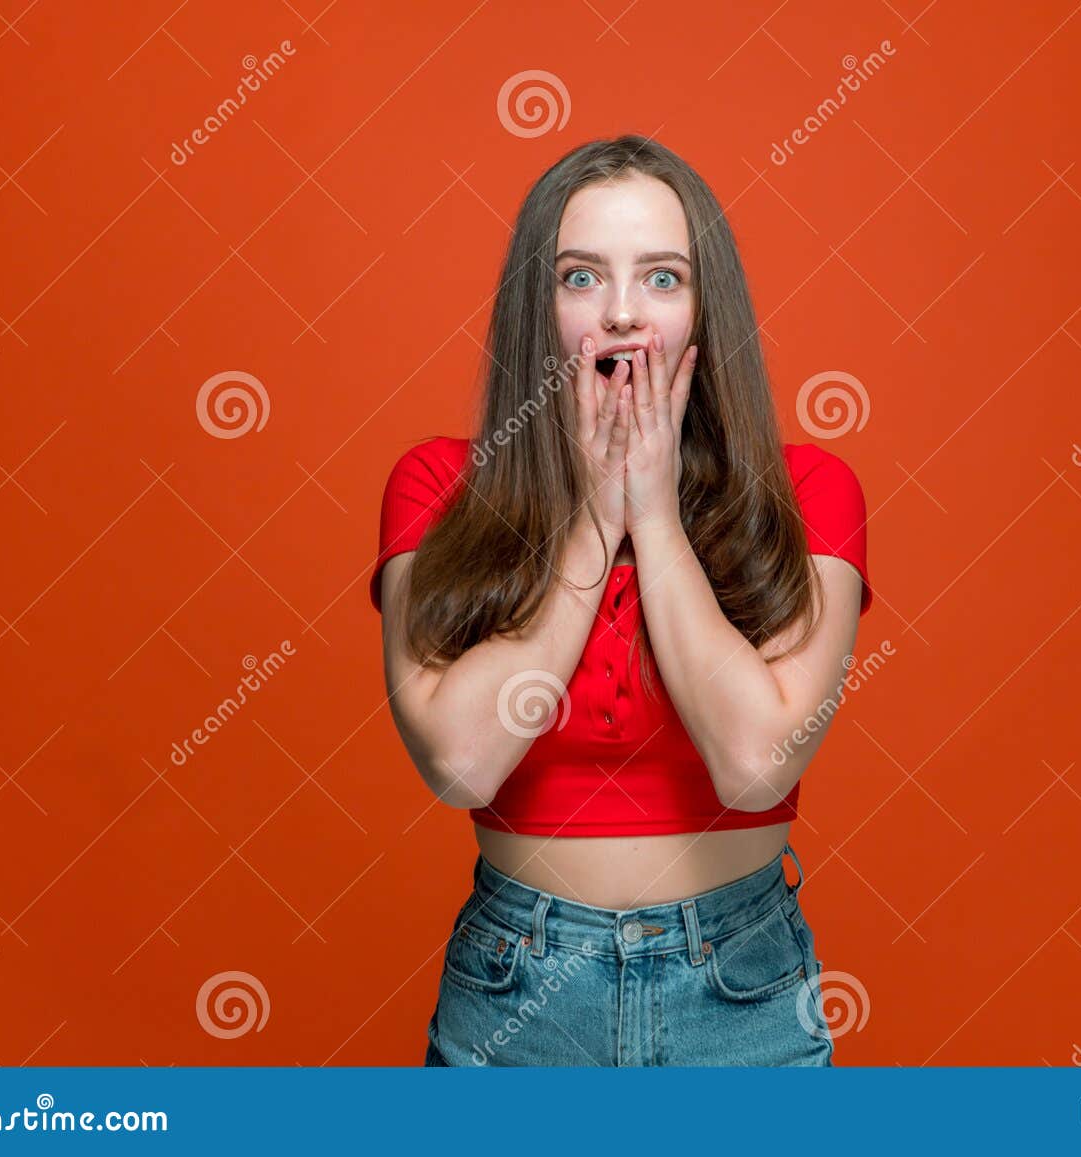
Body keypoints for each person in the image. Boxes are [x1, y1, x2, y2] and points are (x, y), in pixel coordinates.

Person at [370, 135, 872, 1066]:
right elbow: (460, 765)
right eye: (580, 278)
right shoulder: (440, 487)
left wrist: (656, 515)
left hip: (741, 993)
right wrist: (596, 523)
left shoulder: (809, 494)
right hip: (516, 993)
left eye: (663, 279)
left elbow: (756, 766)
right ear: (538, 308)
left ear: (704, 313)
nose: (623, 316)